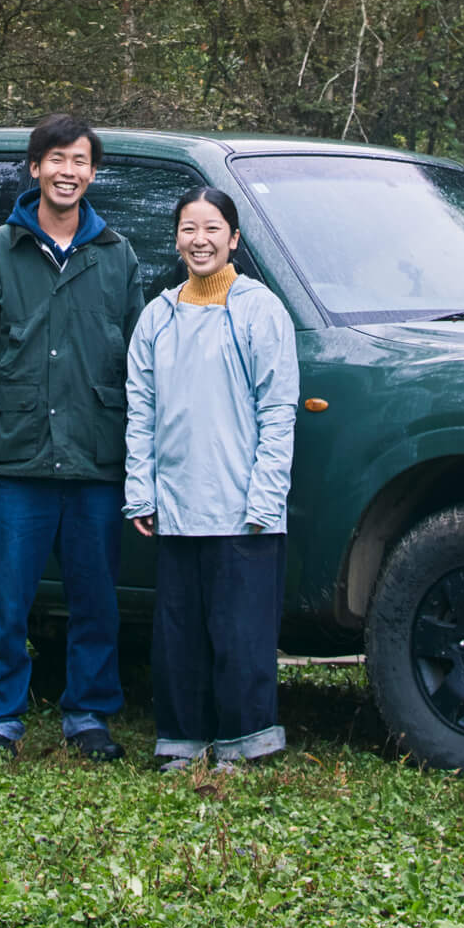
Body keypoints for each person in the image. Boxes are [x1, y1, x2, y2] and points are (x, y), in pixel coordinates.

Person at [0, 114, 143, 765]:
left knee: (96, 599)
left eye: (80, 160)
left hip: (96, 456)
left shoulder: (117, 254)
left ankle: (89, 714)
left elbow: (138, 360)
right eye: (56, 158)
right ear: (34, 168)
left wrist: (139, 450)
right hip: (17, 454)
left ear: (93, 172)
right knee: (4, 596)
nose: (68, 171)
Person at [124, 186, 299, 771]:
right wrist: (141, 490)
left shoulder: (261, 311)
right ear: (176, 239)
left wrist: (265, 497)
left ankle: (247, 743)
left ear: (234, 239)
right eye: (188, 229)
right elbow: (141, 409)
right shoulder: (157, 315)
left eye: (212, 229)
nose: (200, 240)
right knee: (179, 636)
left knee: (241, 635)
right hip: (176, 504)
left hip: (243, 509)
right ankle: (181, 740)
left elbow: (278, 410)